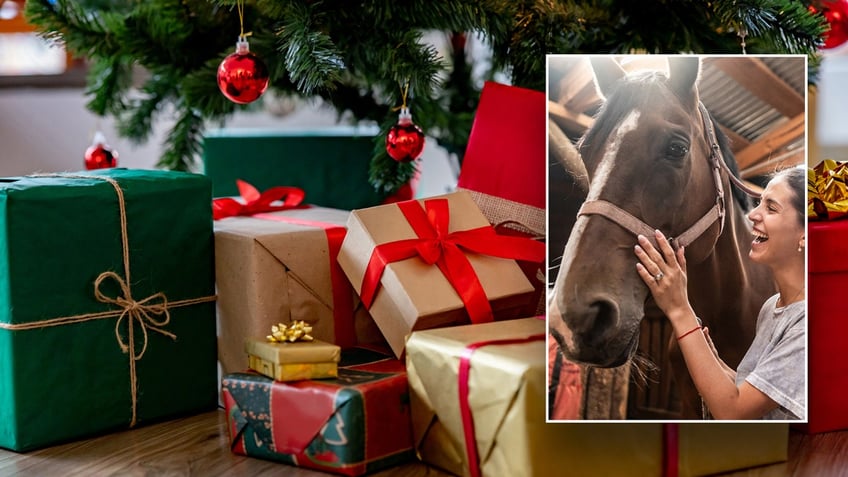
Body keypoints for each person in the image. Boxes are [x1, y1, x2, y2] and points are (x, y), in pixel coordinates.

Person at [634, 167, 805, 420]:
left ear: (804, 235)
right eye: (759, 203)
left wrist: (679, 308)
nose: (753, 215)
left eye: (771, 208)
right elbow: (758, 396)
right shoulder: (772, 307)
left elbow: (733, 411)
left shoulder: (806, 324)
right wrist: (717, 365)